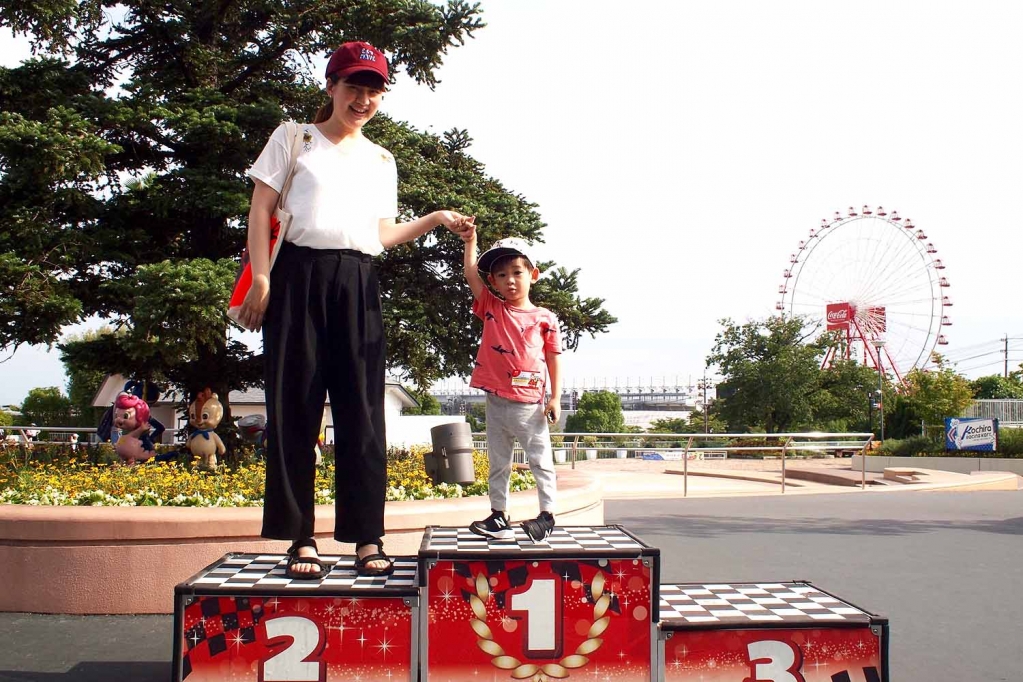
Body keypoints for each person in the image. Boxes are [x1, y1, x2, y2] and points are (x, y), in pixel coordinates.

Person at [236, 41, 472, 579]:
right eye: (353, 87)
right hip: (296, 275)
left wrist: (433, 218)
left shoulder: (381, 160)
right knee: (294, 409)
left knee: (363, 416)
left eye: (373, 90)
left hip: (358, 281)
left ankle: (368, 537)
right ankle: (301, 539)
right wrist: (264, 277)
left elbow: (381, 235)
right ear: (331, 86)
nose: (362, 98)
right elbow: (260, 210)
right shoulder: (294, 139)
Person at [461, 230, 562, 542]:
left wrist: (555, 397)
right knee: (498, 462)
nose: (510, 281)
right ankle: (499, 514)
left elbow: (553, 357)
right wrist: (470, 242)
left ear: (533, 274)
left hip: (530, 404)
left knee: (540, 460)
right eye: (501, 275)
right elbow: (469, 272)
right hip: (496, 401)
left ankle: (547, 516)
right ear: (493, 281)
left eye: (517, 272)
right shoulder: (492, 307)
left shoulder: (545, 318)